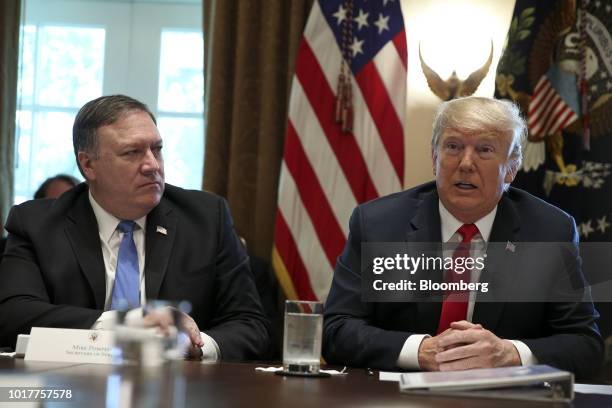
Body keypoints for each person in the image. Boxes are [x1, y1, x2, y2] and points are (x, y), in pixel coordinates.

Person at [323, 96, 603, 380]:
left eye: (484, 150)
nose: (466, 163)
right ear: (435, 159)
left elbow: (585, 345)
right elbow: (336, 330)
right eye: (453, 146)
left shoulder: (549, 232)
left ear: (511, 168)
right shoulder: (378, 225)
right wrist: (421, 351)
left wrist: (508, 354)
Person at [0, 95, 270, 361]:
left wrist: (196, 345)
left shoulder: (206, 219)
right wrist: (126, 322)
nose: (152, 165)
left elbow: (250, 324)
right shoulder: (37, 225)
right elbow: (12, 314)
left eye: (157, 149)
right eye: (133, 152)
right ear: (88, 164)